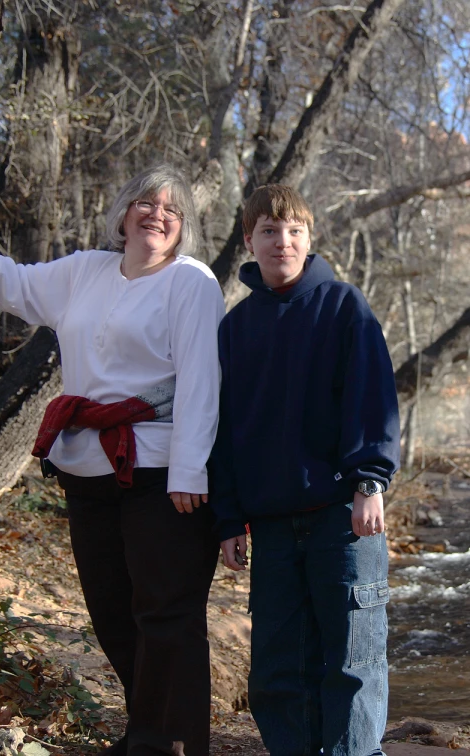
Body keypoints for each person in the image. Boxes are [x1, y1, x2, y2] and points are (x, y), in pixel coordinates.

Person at [0, 164, 226, 756]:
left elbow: (203, 381)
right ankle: (147, 730)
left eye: (171, 210)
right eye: (145, 203)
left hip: (161, 470)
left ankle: (171, 742)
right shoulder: (85, 272)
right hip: (87, 467)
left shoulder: (191, 283)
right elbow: (6, 281)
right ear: (122, 214)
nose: (157, 215)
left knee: (165, 610)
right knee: (112, 610)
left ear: (183, 228)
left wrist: (191, 471)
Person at [209, 184, 400, 756]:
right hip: (270, 526)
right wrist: (227, 517)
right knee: (277, 669)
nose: (282, 241)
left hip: (343, 517)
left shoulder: (344, 306)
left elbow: (373, 398)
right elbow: (225, 428)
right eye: (269, 231)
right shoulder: (236, 328)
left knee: (353, 662)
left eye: (293, 231)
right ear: (249, 241)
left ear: (309, 239)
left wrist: (370, 481)